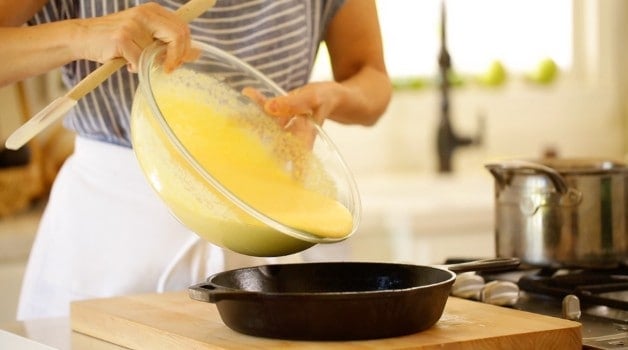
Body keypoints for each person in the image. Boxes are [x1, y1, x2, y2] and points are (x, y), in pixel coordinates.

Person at [0, 0, 392, 320]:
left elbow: (370, 75)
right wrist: (80, 35)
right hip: (109, 240)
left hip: (271, 230)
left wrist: (333, 98)